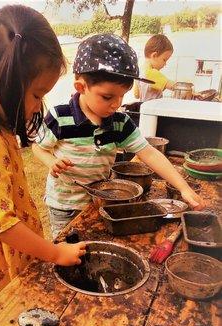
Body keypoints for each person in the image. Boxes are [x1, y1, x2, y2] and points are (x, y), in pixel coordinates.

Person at [0, 5, 86, 304]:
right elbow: (2, 225)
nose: (39, 106)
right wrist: (55, 253)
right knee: (7, 325)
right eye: (37, 94)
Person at [32, 34, 205, 238]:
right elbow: (38, 147)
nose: (116, 104)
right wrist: (51, 161)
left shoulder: (119, 122)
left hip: (101, 201)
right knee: (66, 248)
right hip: (64, 204)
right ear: (81, 87)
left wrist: (183, 188)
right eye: (107, 97)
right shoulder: (60, 117)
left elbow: (150, 153)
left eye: (122, 95)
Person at [134, 34, 176, 101]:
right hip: (153, 108)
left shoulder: (139, 72)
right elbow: (172, 86)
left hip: (142, 106)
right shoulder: (151, 73)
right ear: (154, 55)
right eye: (164, 60)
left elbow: (136, 95)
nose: (165, 64)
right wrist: (190, 91)